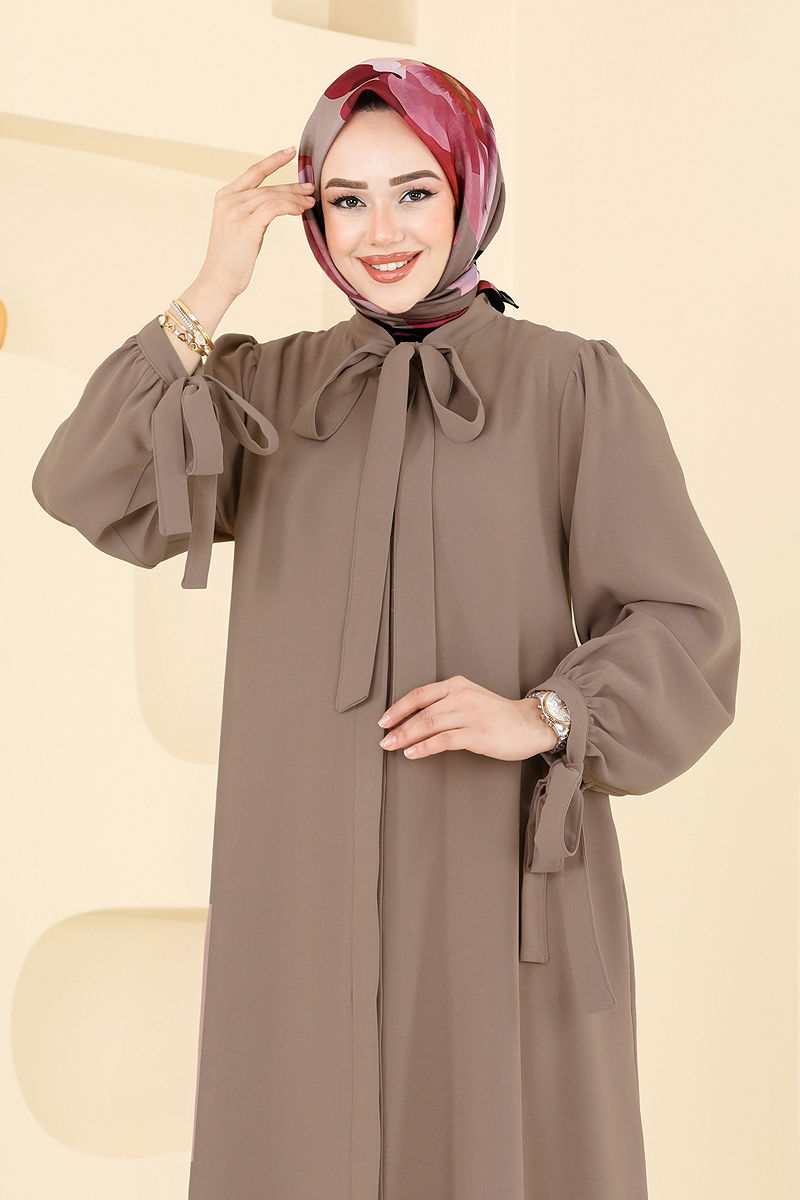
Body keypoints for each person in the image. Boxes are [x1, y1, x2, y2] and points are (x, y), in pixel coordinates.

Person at [30, 58, 740, 1200]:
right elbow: (86, 486)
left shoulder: (569, 385)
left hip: (489, 857)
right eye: (346, 199)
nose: (381, 232)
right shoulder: (268, 391)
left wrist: (546, 713)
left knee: (493, 1134)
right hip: (296, 864)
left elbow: (683, 617)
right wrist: (212, 285)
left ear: (469, 190)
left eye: (414, 191)